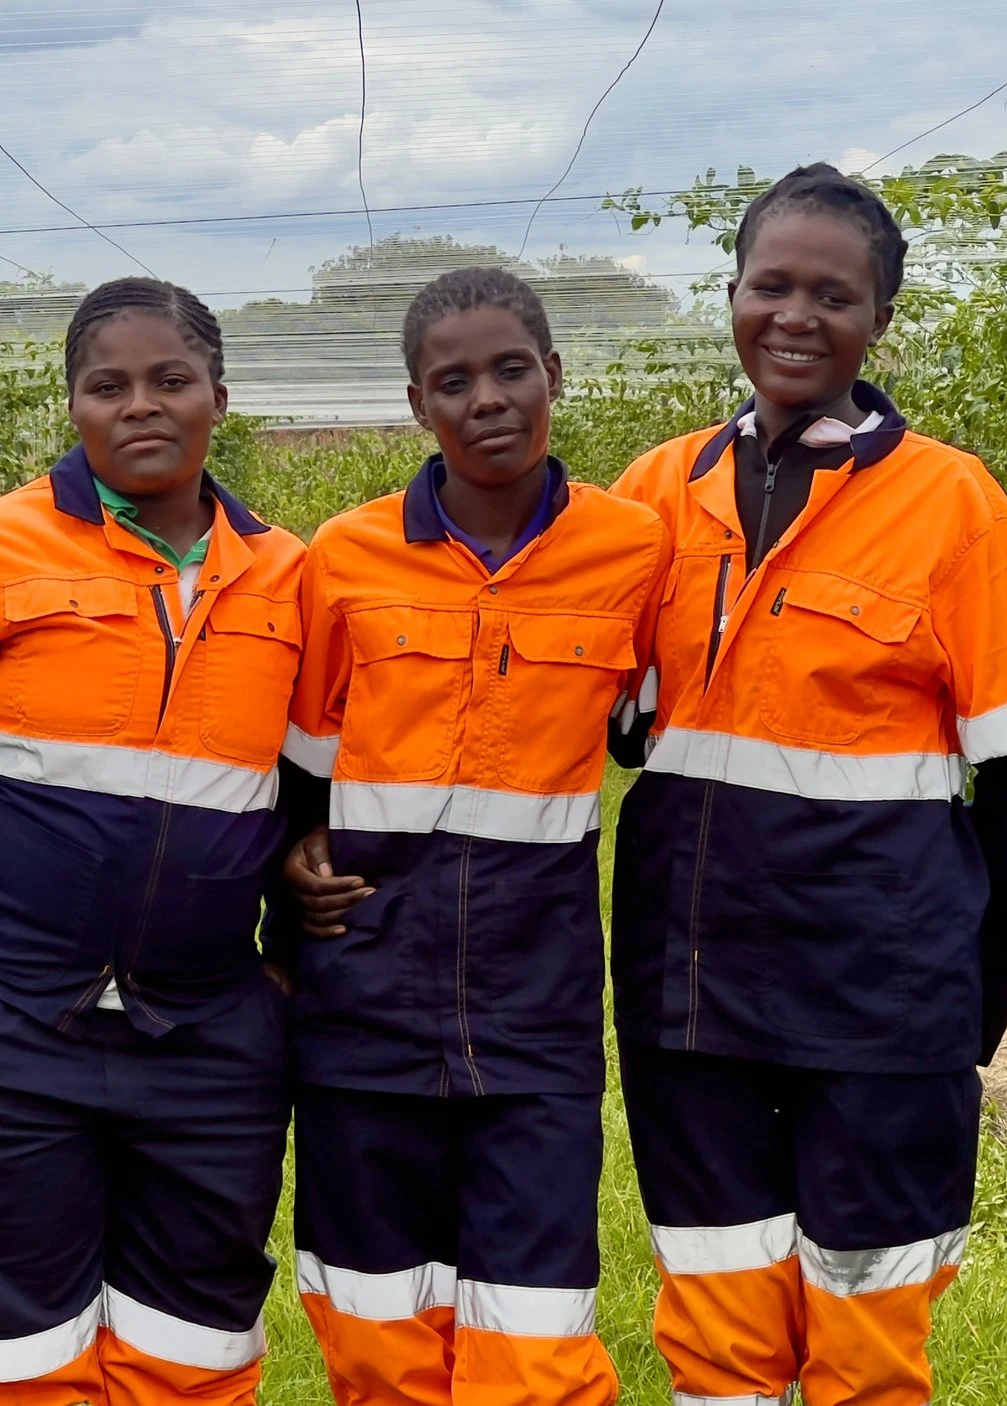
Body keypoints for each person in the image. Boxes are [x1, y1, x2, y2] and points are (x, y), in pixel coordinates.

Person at [606, 164, 1007, 1406]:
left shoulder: (952, 506)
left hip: (882, 994)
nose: (796, 316)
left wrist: (970, 997)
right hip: (690, 991)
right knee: (717, 1316)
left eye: (834, 295)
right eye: (771, 285)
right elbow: (595, 712)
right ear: (730, 294)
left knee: (866, 1328)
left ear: (880, 320)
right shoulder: (655, 495)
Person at [0, 278, 306, 1406]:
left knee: (192, 1356)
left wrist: (283, 982)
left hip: (205, 1039)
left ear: (219, 396)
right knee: (2, 1363)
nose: (140, 405)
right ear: (74, 406)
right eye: (107, 385)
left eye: (170, 379)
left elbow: (317, 797)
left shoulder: (291, 579)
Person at [279, 267, 665, 1406]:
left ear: (555, 375)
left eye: (511, 370)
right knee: (374, 1321)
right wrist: (285, 873)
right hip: (361, 998)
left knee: (534, 1335)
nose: (487, 398)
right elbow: (298, 770)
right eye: (453, 382)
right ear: (418, 404)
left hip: (535, 1009)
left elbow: (654, 726)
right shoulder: (343, 557)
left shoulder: (635, 552)